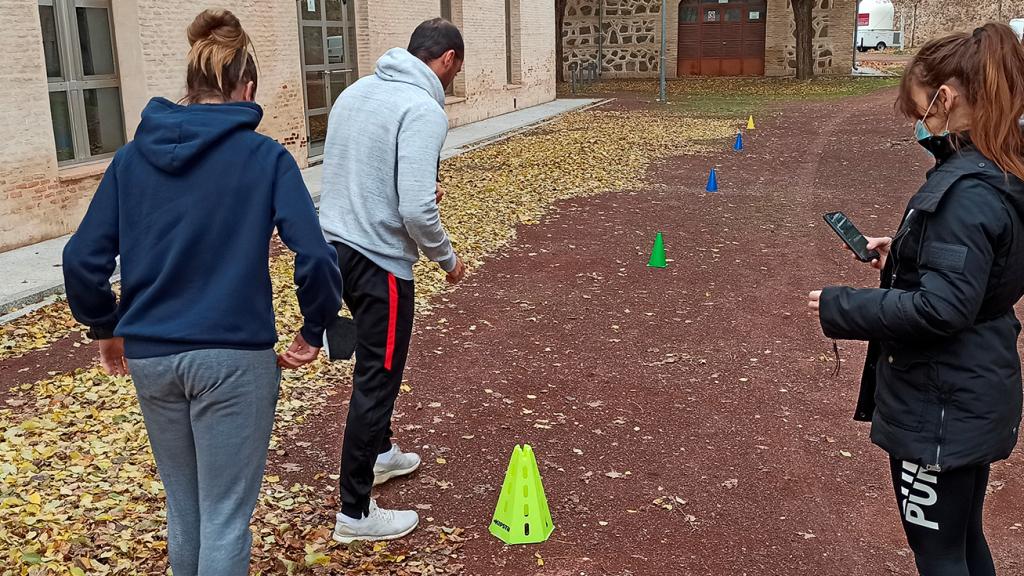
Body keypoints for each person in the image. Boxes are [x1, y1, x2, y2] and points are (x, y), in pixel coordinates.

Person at [62, 10, 342, 576]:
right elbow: (314, 255)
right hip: (233, 356)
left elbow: (80, 259)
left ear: (190, 84)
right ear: (248, 87)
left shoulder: (130, 159)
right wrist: (315, 328)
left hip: (153, 357)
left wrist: (107, 325)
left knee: (185, 511)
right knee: (223, 516)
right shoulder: (264, 157)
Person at [809, 23, 1024, 576]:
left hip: (940, 401)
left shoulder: (963, 194)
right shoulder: (1000, 175)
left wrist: (841, 307)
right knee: (961, 538)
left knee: (939, 552)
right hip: (970, 389)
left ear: (946, 100)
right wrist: (904, 254)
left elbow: (941, 309)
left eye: (918, 111)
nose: (918, 125)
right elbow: (980, 273)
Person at [318, 17, 466, 543]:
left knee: (372, 371)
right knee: (376, 380)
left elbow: (358, 172)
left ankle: (380, 455)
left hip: (333, 250)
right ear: (447, 59)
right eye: (455, 71)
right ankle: (354, 513)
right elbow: (416, 209)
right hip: (379, 263)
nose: (452, 82)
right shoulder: (422, 108)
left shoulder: (356, 91)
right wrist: (446, 259)